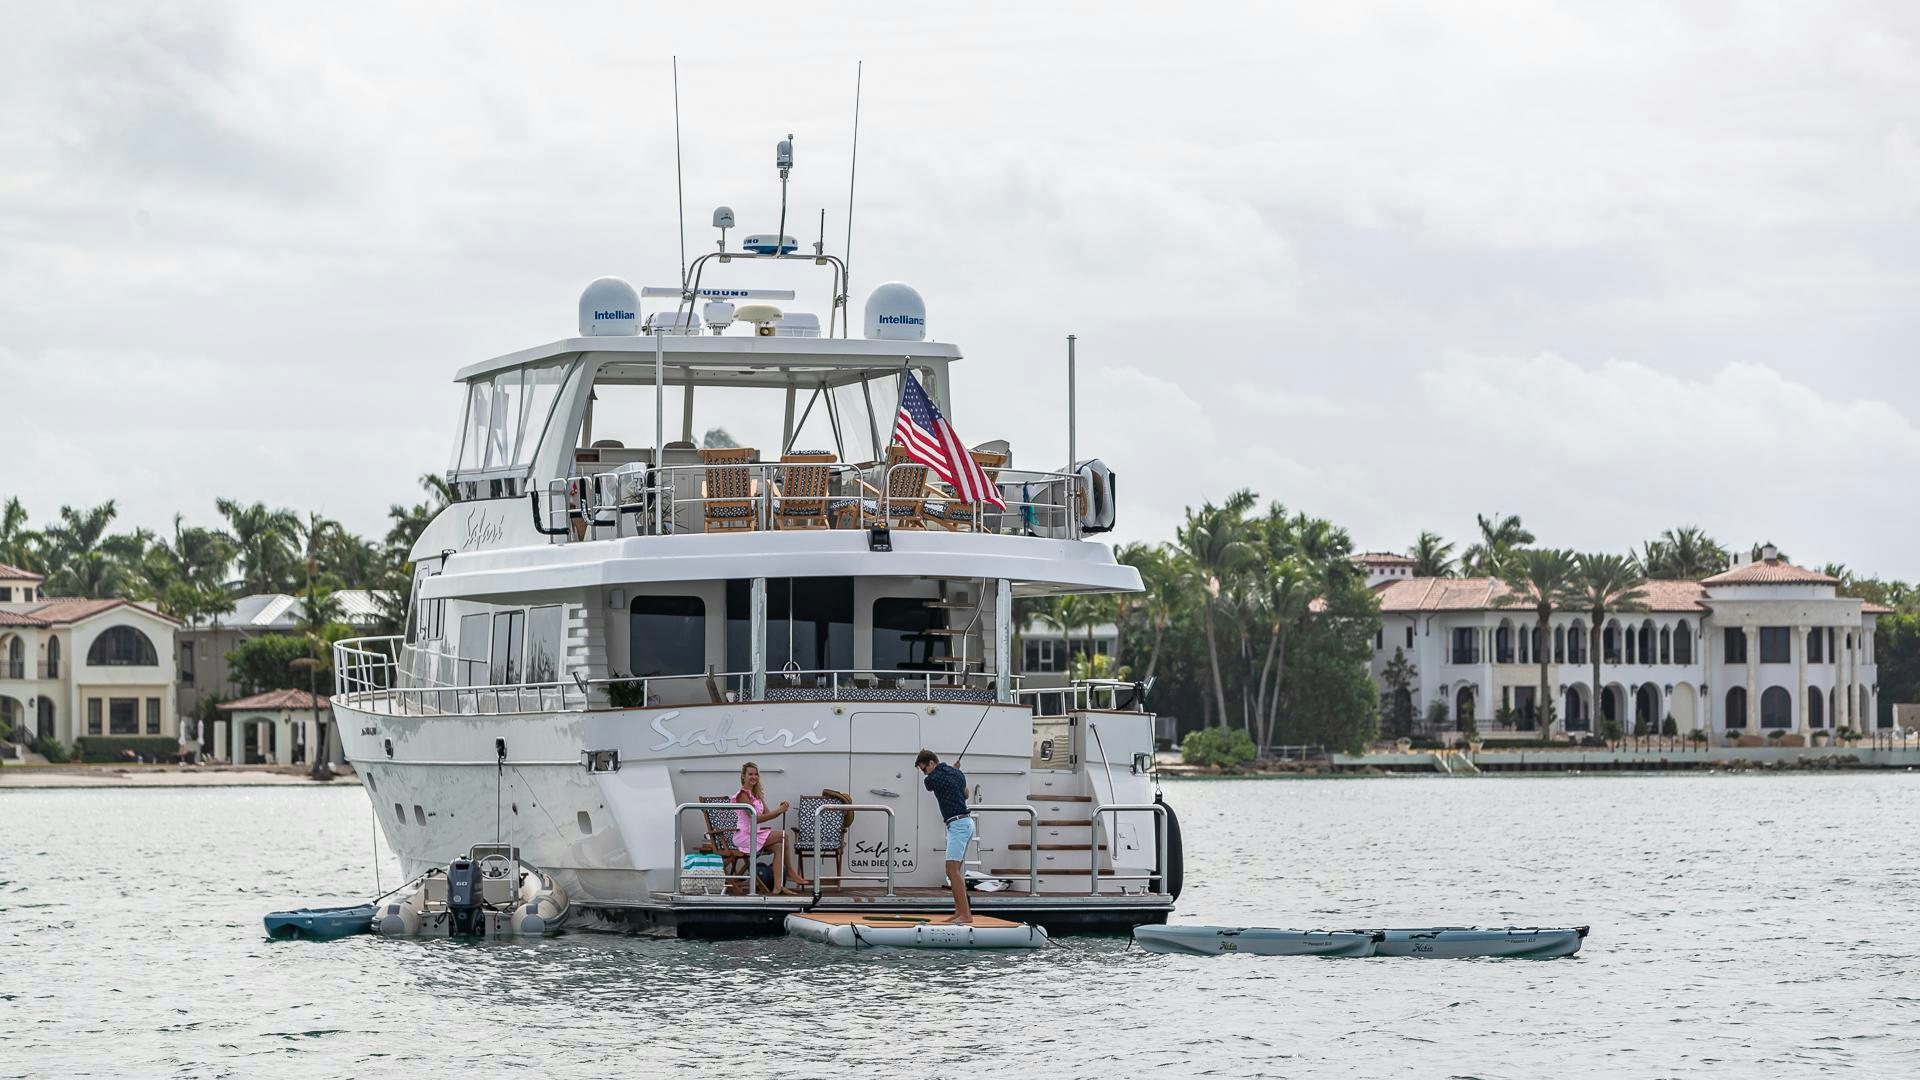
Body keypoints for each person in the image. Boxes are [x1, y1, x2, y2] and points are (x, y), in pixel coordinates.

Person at [733, 762, 809, 895]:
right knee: (784, 835)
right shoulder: (742, 795)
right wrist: (779, 811)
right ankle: (790, 871)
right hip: (744, 837)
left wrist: (780, 809)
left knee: (779, 846)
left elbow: (768, 815)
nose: (753, 777)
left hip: (754, 834)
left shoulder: (756, 796)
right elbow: (754, 818)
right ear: (743, 776)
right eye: (750, 774)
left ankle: (778, 887)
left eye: (756, 774)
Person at [915, 749, 973, 924]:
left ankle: (966, 915)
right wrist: (955, 771)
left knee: (951, 871)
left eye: (924, 769)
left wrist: (952, 772)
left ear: (932, 763)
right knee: (955, 871)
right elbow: (966, 794)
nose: (924, 773)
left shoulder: (931, 779)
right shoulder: (957, 774)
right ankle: (959, 911)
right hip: (966, 823)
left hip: (958, 826)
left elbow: (930, 785)